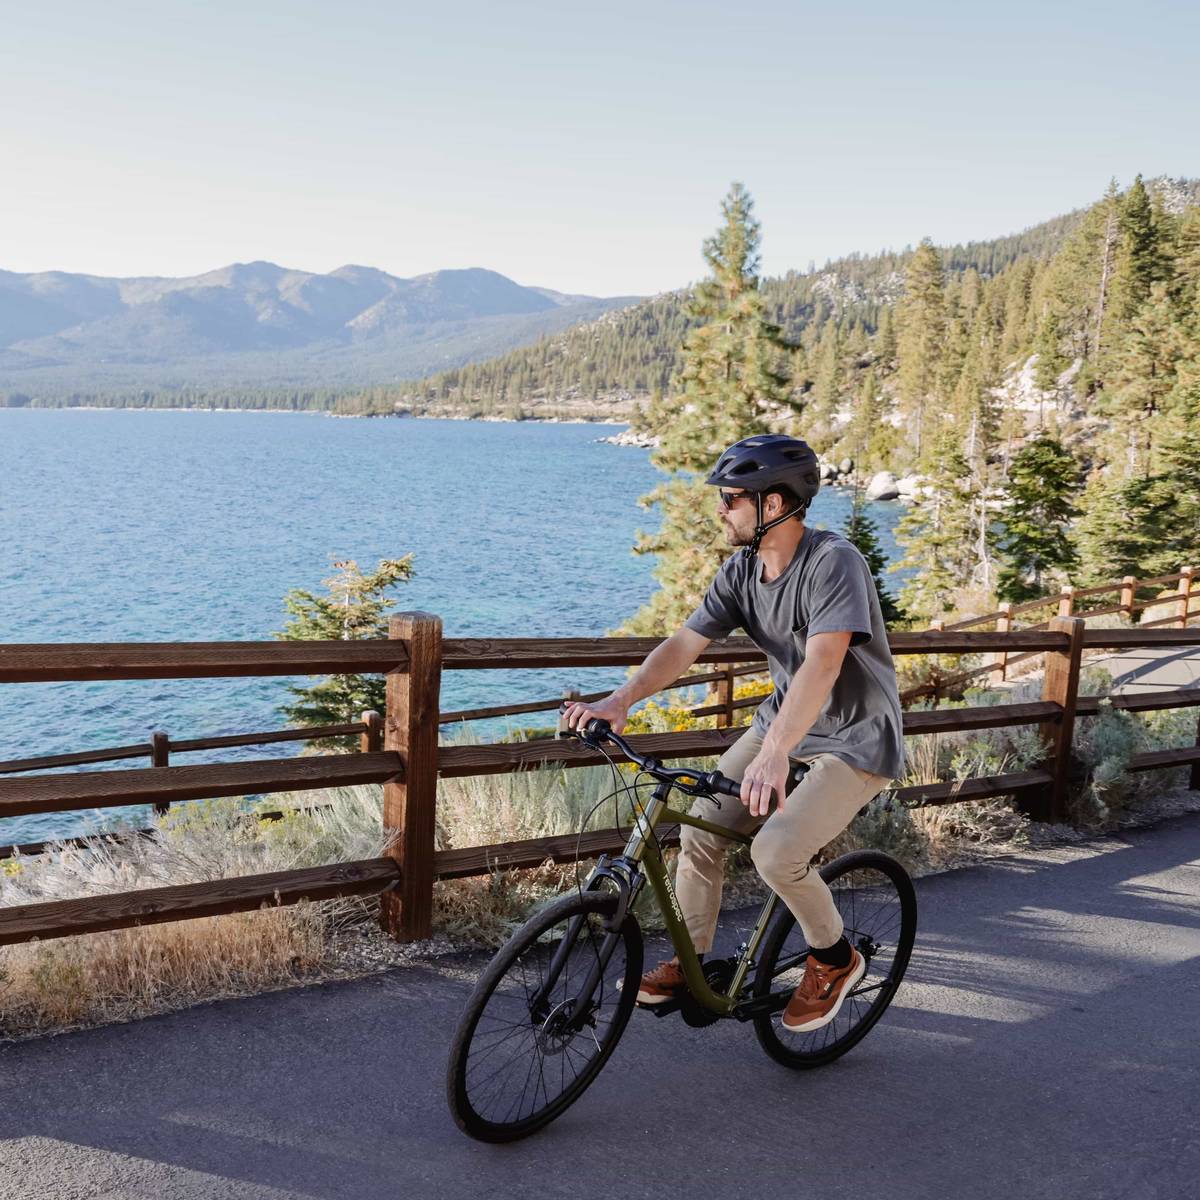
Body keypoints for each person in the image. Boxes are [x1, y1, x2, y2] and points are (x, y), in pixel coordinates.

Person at [562, 433, 905, 1033]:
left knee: (777, 852)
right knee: (700, 831)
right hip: (782, 725)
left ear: (774, 505)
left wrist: (775, 754)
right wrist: (620, 700)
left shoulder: (833, 562)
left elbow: (824, 663)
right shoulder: (742, 569)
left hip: (856, 736)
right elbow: (684, 645)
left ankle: (833, 957)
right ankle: (691, 965)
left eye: (731, 499)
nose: (721, 510)